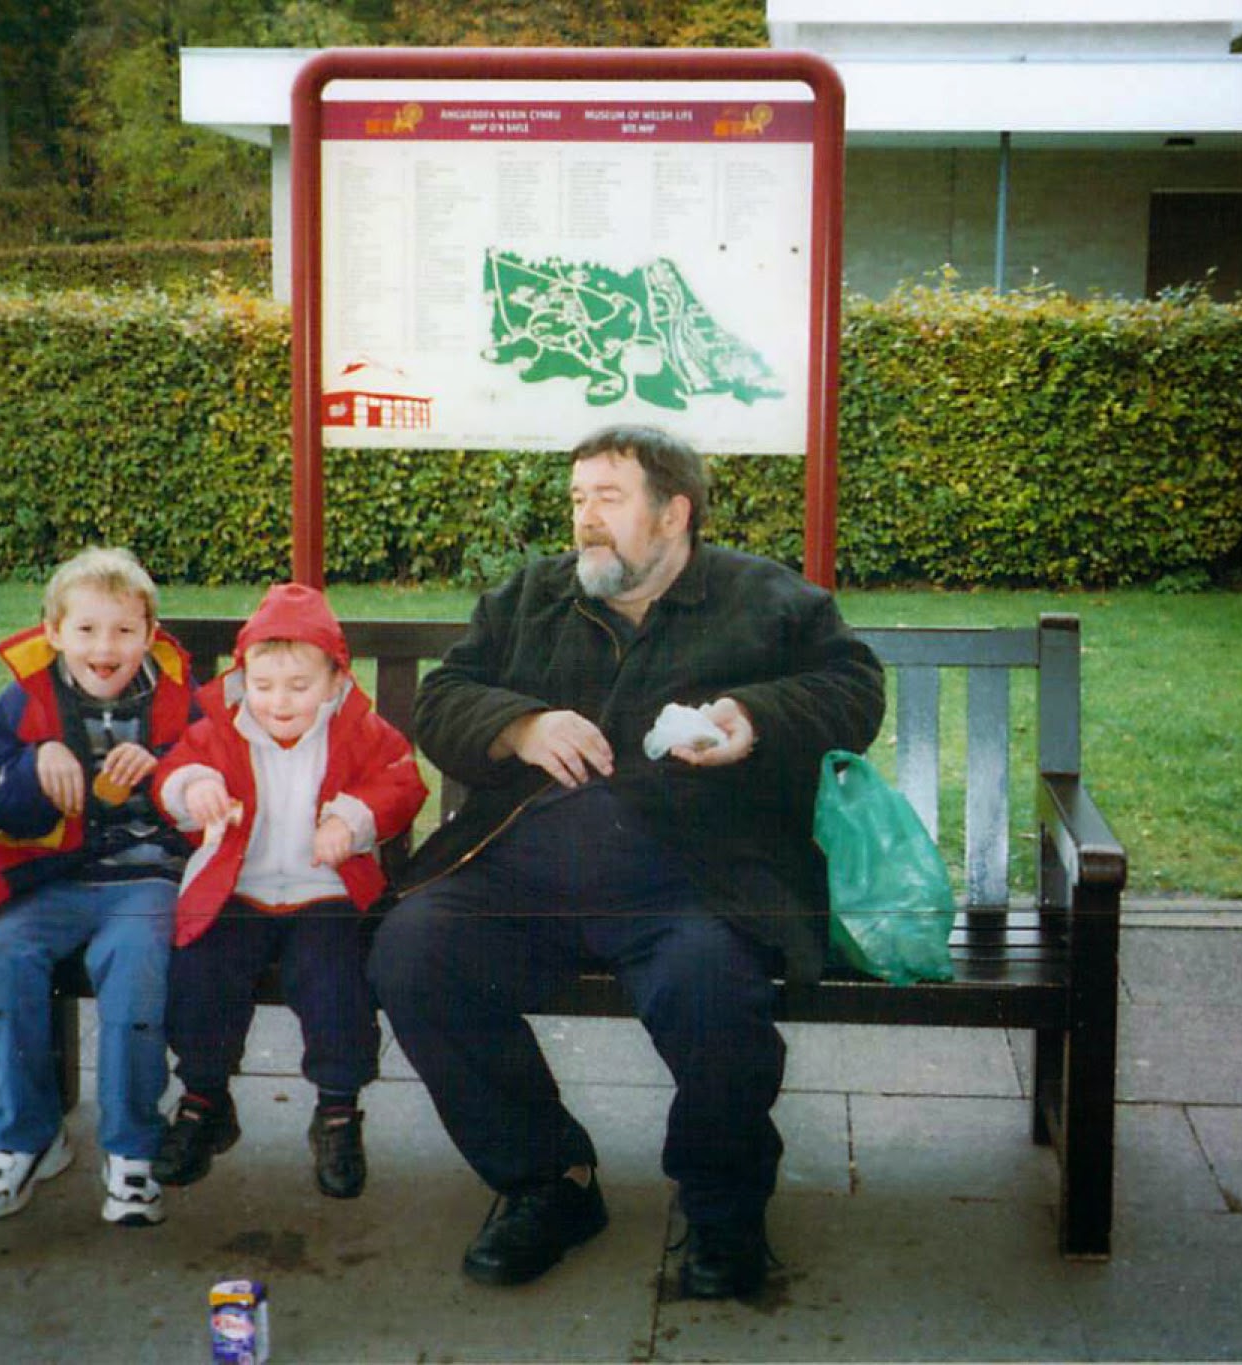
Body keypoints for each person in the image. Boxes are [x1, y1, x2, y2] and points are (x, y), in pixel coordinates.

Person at [369, 425, 885, 1299]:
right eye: (577, 499)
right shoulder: (532, 597)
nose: (584, 519)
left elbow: (852, 687)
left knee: (710, 991)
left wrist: (751, 717)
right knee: (412, 950)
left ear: (673, 512)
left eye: (607, 498)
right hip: (526, 869)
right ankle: (547, 1180)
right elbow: (444, 697)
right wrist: (518, 725)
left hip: (694, 877)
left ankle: (722, 1207)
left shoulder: (766, 600)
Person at [150, 583, 428, 1200]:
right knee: (200, 972)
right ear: (242, 679)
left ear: (333, 683)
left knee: (334, 981)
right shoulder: (220, 728)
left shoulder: (360, 731)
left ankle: (337, 1108)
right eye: (264, 684)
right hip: (238, 887)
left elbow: (402, 783)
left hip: (325, 891)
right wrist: (193, 787)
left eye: (299, 686)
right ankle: (204, 1098)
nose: (279, 701)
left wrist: (352, 819)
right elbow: (173, 770)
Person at [0, 547, 196, 1226]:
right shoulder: (24, 703)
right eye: (86, 629)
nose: (104, 647)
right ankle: (27, 1134)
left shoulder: (178, 699)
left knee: (135, 964)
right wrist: (35, 765)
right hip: (54, 879)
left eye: (123, 630)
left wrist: (165, 766)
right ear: (53, 631)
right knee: (0, 956)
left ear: (149, 634)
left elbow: (213, 769)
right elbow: (6, 806)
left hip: (146, 877)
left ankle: (130, 1146)